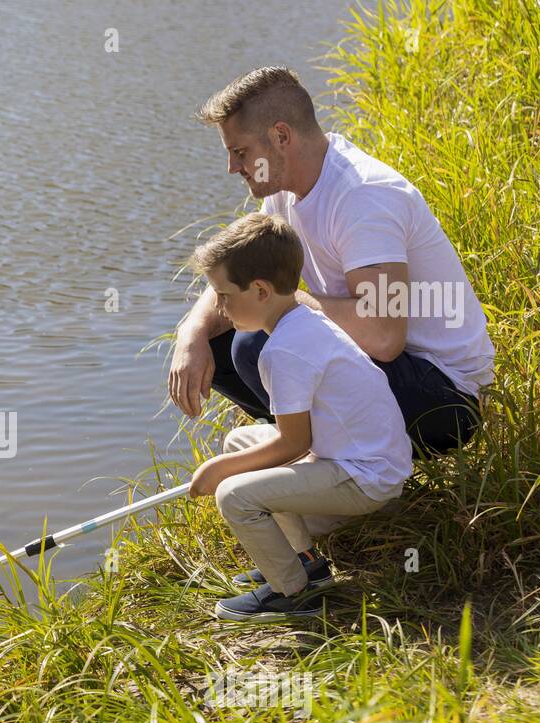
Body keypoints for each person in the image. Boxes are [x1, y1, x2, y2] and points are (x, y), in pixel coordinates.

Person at [169, 66, 494, 456]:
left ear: (281, 136)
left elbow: (384, 335)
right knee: (220, 341)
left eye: (240, 153)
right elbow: (240, 274)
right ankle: (318, 453)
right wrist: (191, 332)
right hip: (392, 371)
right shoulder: (285, 190)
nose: (233, 168)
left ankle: (340, 464)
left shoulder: (363, 196)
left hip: (442, 398)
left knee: (255, 340)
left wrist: (283, 305)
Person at [186, 213, 413, 620]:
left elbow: (294, 444)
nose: (218, 306)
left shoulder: (284, 351)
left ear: (259, 290)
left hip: (365, 476)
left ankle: (291, 592)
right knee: (241, 442)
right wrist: (230, 461)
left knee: (234, 495)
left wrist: (217, 471)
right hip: (357, 457)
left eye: (223, 295)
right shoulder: (303, 321)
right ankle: (304, 560)